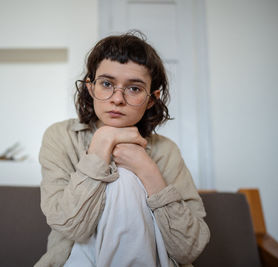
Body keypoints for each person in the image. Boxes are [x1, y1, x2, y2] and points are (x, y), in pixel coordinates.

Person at [35, 31, 210, 267]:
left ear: (151, 99)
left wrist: (147, 170)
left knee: (127, 178)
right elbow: (71, 226)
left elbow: (189, 249)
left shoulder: (166, 151)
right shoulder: (60, 137)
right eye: (107, 84)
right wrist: (101, 145)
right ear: (90, 87)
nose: (117, 99)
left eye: (134, 89)